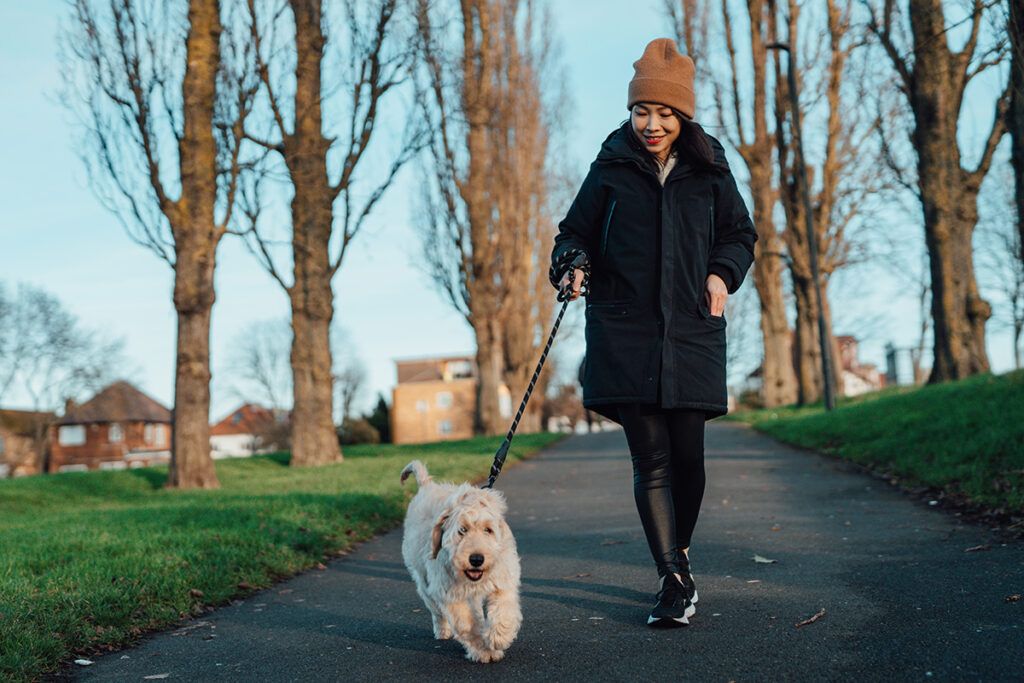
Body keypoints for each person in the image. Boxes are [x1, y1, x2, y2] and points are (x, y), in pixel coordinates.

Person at [548, 37, 757, 628]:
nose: (651, 124)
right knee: (652, 460)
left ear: (682, 115)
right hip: (625, 329)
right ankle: (672, 578)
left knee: (688, 453)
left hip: (693, 327)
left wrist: (722, 275)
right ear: (631, 111)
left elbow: (740, 235)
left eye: (664, 113)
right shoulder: (609, 167)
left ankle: (679, 554)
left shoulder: (711, 170)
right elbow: (573, 232)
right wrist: (572, 265)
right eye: (643, 111)